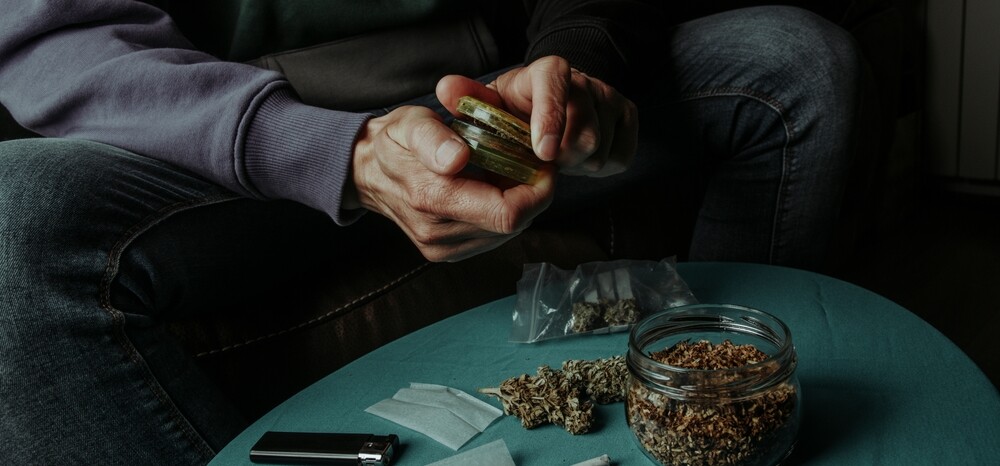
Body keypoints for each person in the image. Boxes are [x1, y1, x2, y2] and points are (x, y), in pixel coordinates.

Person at [0, 0, 863, 463]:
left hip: (485, 90)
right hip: (214, 134)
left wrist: (579, 58)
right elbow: (57, 41)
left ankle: (726, 420)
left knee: (792, 64)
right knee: (12, 217)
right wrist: (340, 153)